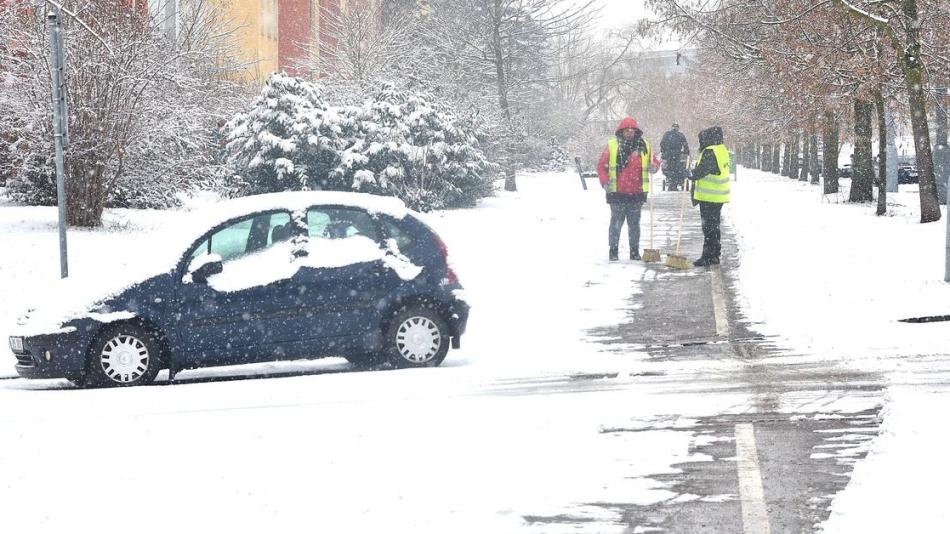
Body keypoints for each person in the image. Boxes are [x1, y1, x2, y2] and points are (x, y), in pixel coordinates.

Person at [597, 117, 659, 261]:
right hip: (616, 192)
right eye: (627, 130)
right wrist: (605, 182)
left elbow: (654, 161)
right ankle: (613, 251)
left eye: (632, 130)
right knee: (616, 224)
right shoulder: (612, 145)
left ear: (636, 131)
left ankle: (634, 251)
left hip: (636, 193)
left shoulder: (645, 146)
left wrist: (654, 166)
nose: (630, 133)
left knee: (634, 225)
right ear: (621, 131)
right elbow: (601, 166)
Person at [686, 126, 731, 267]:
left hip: (709, 197)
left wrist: (690, 174)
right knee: (714, 227)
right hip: (718, 196)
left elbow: (702, 170)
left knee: (709, 228)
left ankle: (708, 256)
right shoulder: (721, 149)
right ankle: (715, 255)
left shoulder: (710, 151)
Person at [660, 123, 690, 191]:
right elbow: (685, 145)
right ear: (678, 128)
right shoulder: (680, 135)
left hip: (669, 154)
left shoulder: (667, 134)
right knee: (678, 168)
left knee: (670, 168)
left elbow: (662, 144)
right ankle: (676, 181)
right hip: (677, 154)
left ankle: (671, 181)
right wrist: (686, 152)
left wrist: (664, 151)